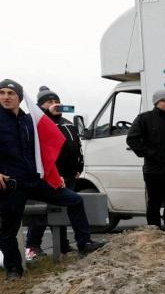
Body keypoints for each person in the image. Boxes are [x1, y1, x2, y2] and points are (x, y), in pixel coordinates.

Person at [0, 79, 104, 279]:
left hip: (34, 180)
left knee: (74, 199)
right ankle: (14, 270)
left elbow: (44, 150)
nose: (5, 97)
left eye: (10, 93)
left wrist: (54, 176)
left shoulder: (29, 120)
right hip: (11, 184)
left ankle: (84, 244)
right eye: (2, 93)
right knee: (9, 230)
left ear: (19, 98)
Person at [25, 86, 84, 261]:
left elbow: (77, 146)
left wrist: (79, 166)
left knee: (63, 211)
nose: (55, 104)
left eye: (56, 101)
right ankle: (33, 245)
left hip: (69, 174)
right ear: (40, 106)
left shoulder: (67, 123)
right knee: (42, 212)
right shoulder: (39, 123)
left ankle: (63, 244)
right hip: (49, 175)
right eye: (49, 102)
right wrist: (53, 173)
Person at [127, 90, 165, 230]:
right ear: (156, 102)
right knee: (154, 202)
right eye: (164, 100)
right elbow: (132, 139)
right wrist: (151, 154)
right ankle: (154, 231)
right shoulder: (144, 119)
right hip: (154, 171)